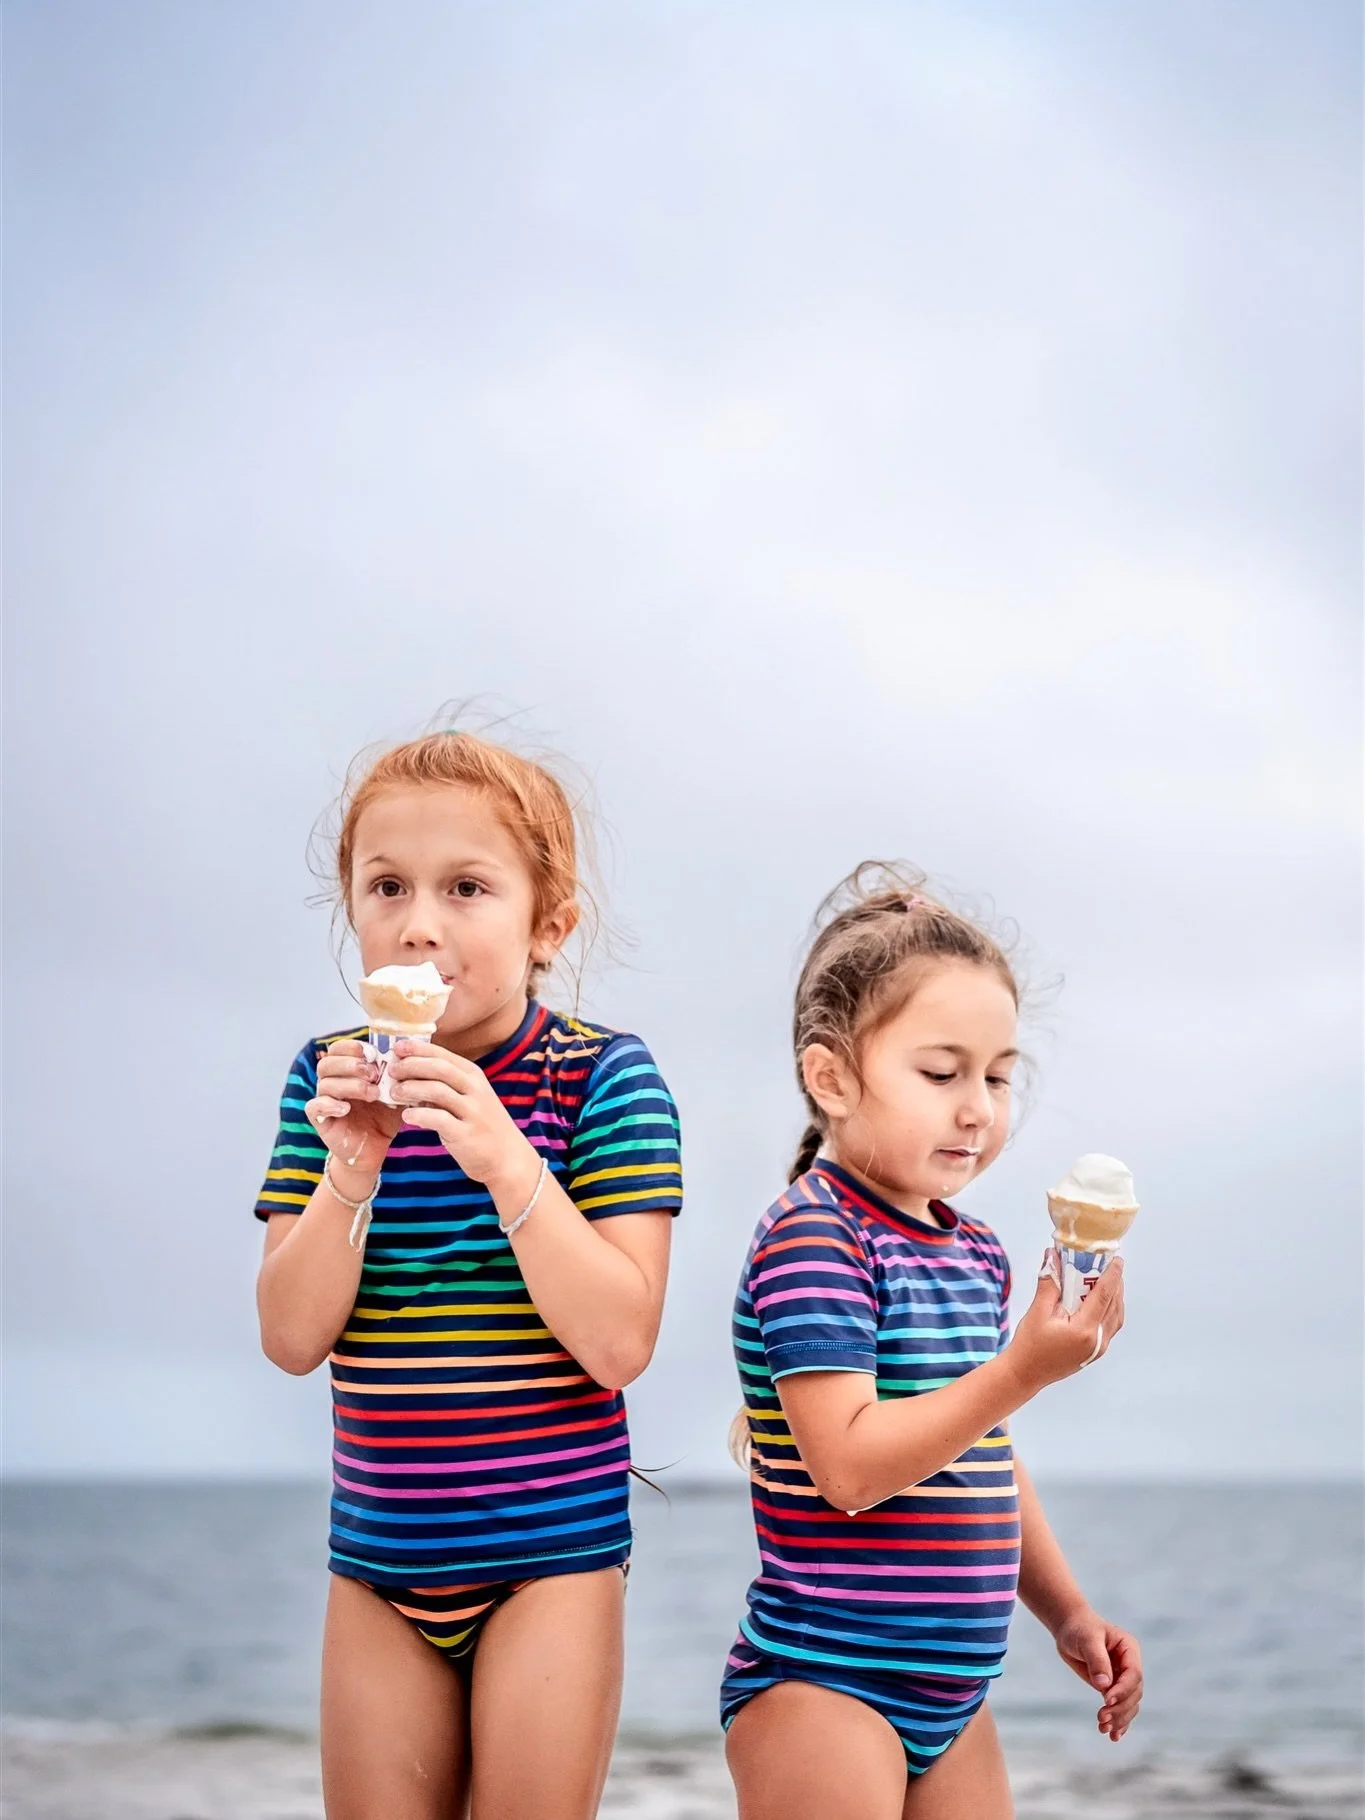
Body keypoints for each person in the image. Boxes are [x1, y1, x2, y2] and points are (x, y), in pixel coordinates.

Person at [255, 728, 682, 1820]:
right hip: (379, 1562)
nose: (420, 922)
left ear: (549, 923)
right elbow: (293, 1337)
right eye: (386, 884)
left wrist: (502, 1153)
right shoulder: (325, 1079)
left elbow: (620, 1338)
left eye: (467, 887)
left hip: (551, 1559)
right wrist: (352, 1165)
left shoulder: (601, 1079)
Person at [721, 866, 1142, 1820]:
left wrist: (1065, 1610)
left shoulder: (978, 1252)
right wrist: (1022, 1370)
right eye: (941, 1073)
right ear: (830, 1076)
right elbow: (851, 1469)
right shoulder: (815, 1237)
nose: (978, 1108)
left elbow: (980, 1450)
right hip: (823, 1683)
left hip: (953, 1696)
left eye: (997, 1076)